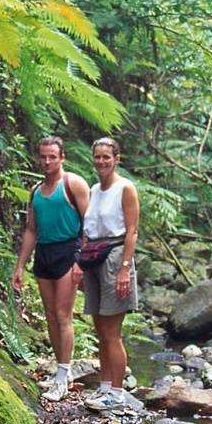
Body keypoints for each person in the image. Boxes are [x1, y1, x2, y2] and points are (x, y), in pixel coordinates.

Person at [11, 136, 91, 403]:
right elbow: (32, 229)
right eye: (43, 156)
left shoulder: (73, 184)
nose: (47, 161)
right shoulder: (36, 191)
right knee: (49, 314)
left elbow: (89, 225)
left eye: (52, 157)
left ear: (62, 158)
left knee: (62, 313)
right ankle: (61, 370)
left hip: (69, 252)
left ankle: (63, 375)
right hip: (44, 253)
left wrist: (82, 261)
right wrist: (20, 265)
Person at [79, 137, 140, 410]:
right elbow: (88, 228)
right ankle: (104, 388)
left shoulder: (125, 188)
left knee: (113, 332)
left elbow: (132, 231)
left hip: (116, 259)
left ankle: (116, 393)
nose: (101, 161)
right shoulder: (94, 189)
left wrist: (125, 268)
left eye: (107, 157)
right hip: (93, 257)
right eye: (98, 157)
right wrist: (79, 263)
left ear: (116, 159)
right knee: (100, 329)